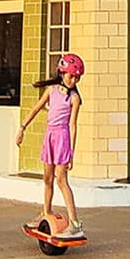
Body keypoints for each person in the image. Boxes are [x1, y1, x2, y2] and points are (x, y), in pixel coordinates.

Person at [18, 52, 85, 240]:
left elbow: (72, 125)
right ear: (62, 73)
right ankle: (45, 212)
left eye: (77, 78)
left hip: (62, 138)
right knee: (47, 178)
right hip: (49, 136)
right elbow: (36, 108)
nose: (73, 80)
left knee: (61, 180)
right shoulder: (52, 90)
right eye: (71, 76)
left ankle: (75, 224)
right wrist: (22, 128)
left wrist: (71, 152)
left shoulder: (74, 99)